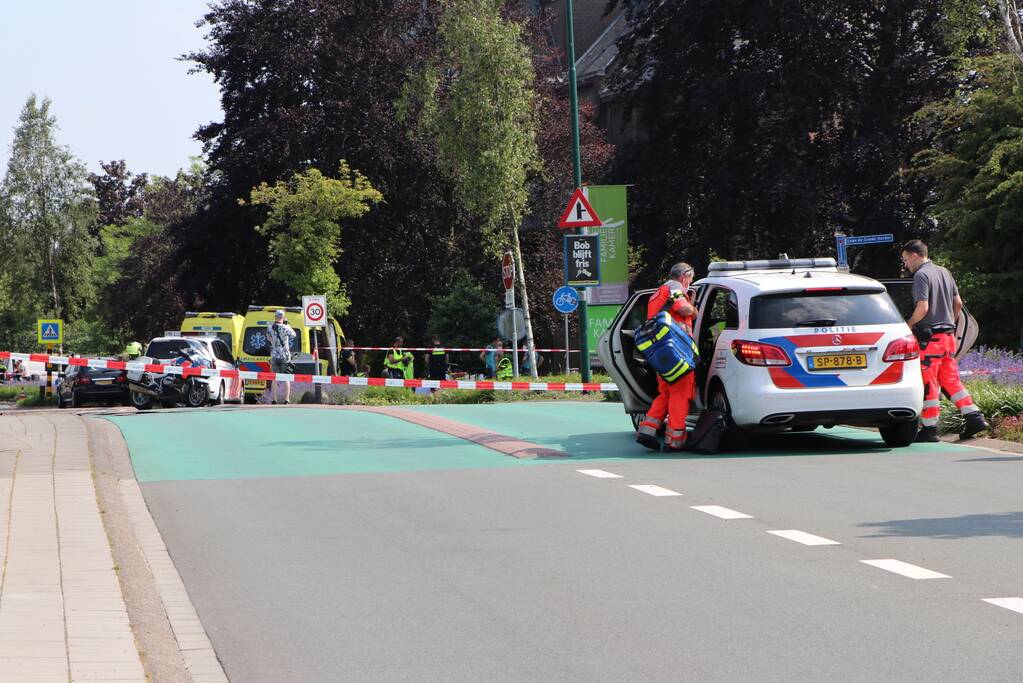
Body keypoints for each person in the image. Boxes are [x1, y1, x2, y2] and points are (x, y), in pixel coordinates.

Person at [901, 240, 988, 441]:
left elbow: (922, 308)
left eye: (906, 260)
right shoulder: (944, 272)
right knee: (951, 380)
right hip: (948, 337)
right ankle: (974, 417)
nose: (906, 265)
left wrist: (909, 325)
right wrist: (950, 323)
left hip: (930, 340)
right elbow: (957, 304)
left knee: (929, 383)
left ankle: (930, 429)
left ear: (914, 255)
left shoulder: (921, 275)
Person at [636, 262, 698, 451]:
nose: (689, 283)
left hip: (661, 352)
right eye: (690, 279)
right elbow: (684, 309)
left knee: (666, 392)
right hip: (677, 352)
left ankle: (647, 430)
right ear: (684, 276)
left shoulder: (657, 294)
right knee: (681, 393)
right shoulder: (675, 288)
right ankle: (676, 439)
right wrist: (694, 309)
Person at [267, 309, 297, 404]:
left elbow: (268, 338)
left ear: (275, 317)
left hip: (275, 355)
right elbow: (294, 335)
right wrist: (287, 324)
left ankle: (274, 399)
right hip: (285, 356)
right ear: (283, 318)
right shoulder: (286, 327)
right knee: (286, 378)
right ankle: (286, 399)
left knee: (274, 378)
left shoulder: (270, 328)